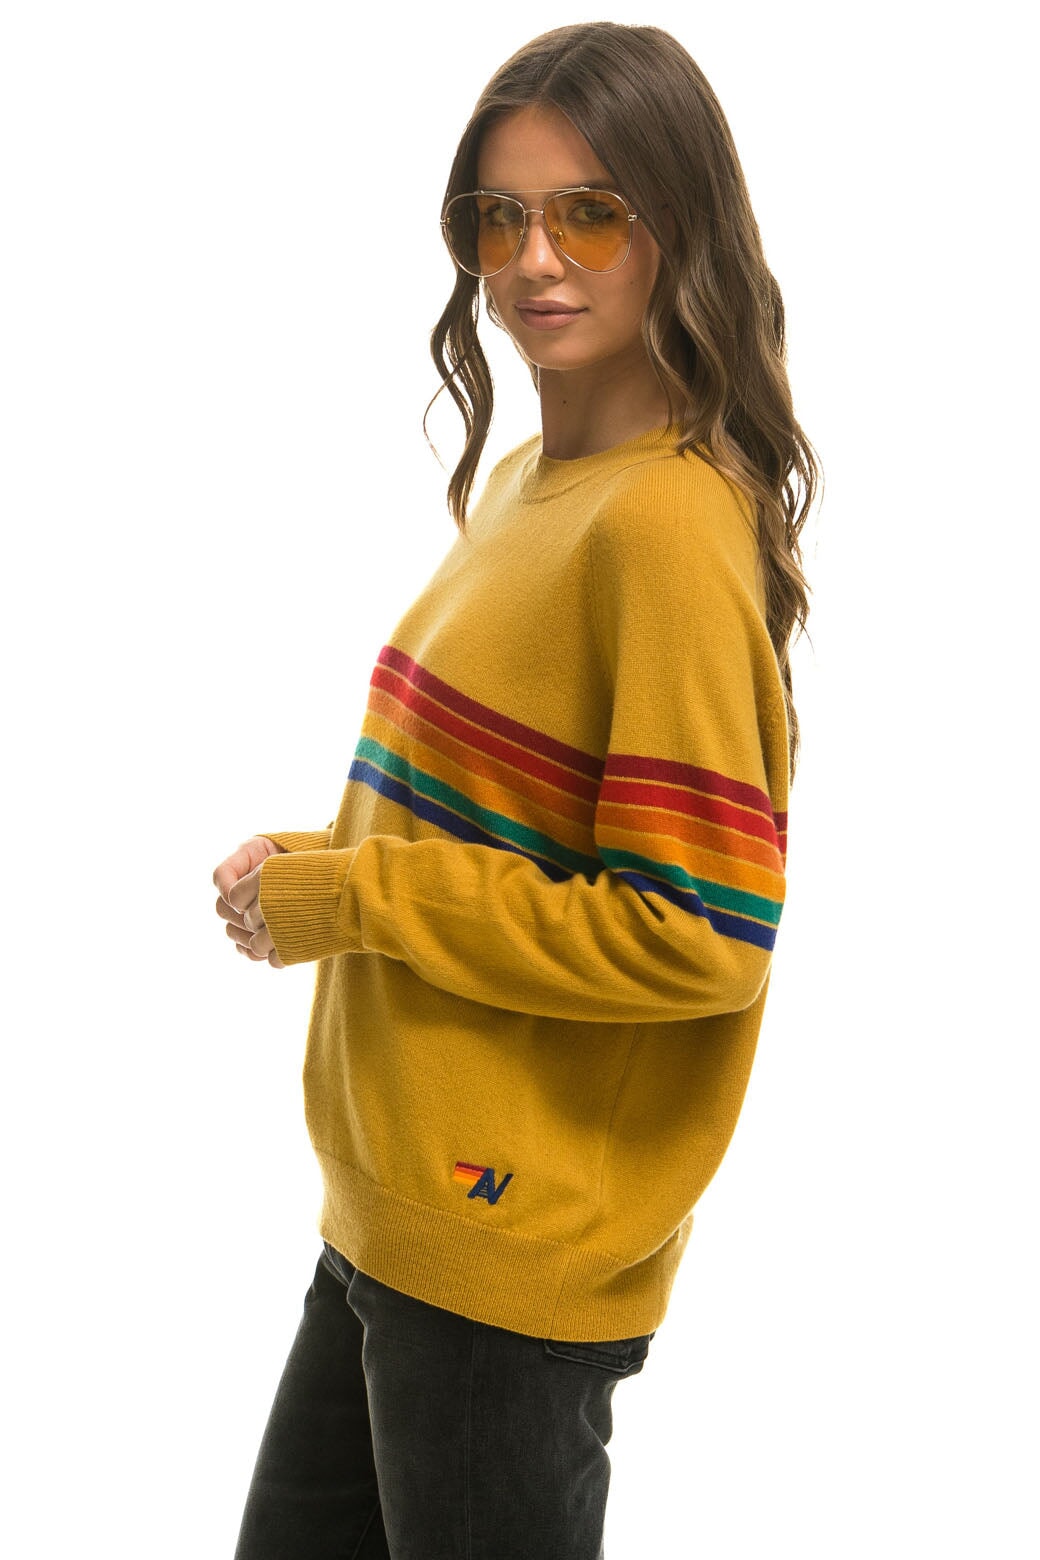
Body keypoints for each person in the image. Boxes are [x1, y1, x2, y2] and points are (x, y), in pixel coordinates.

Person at [214, 20, 819, 1559]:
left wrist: (354, 896)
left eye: (590, 212)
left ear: (681, 225)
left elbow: (699, 931)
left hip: (498, 1265)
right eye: (500, 217)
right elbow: (505, 833)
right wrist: (315, 868)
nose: (533, 260)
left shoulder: (664, 530)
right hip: (391, 1221)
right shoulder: (528, 488)